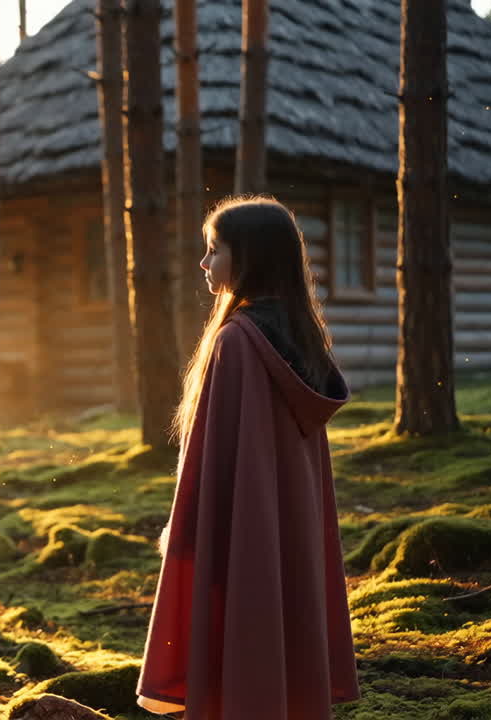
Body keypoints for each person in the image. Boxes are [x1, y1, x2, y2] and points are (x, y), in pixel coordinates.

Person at [136, 196, 361, 719]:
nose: (204, 263)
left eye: (214, 251)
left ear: (250, 258)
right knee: (278, 611)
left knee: (237, 617)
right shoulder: (299, 338)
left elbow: (215, 463)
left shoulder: (237, 342)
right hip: (286, 528)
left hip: (242, 526)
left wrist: (193, 528)